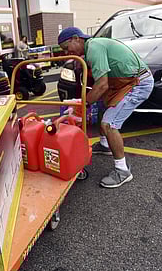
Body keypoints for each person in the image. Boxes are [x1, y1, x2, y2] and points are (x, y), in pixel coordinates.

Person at [58, 27, 154, 189]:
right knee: (102, 108)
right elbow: (99, 84)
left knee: (108, 124)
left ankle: (123, 171)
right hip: (123, 84)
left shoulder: (94, 47)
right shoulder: (91, 49)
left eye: (67, 48)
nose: (68, 52)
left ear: (76, 38)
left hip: (138, 83)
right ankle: (104, 145)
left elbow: (102, 85)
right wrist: (88, 102)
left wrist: (83, 105)